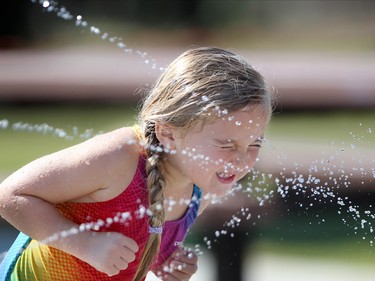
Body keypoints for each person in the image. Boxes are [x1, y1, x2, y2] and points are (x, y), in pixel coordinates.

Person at [0, 46, 272, 281]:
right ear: (168, 134)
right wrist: (84, 244)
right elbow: (11, 195)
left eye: (254, 145)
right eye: (226, 145)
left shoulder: (202, 187)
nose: (241, 160)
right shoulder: (120, 158)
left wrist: (166, 261)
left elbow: (142, 236)